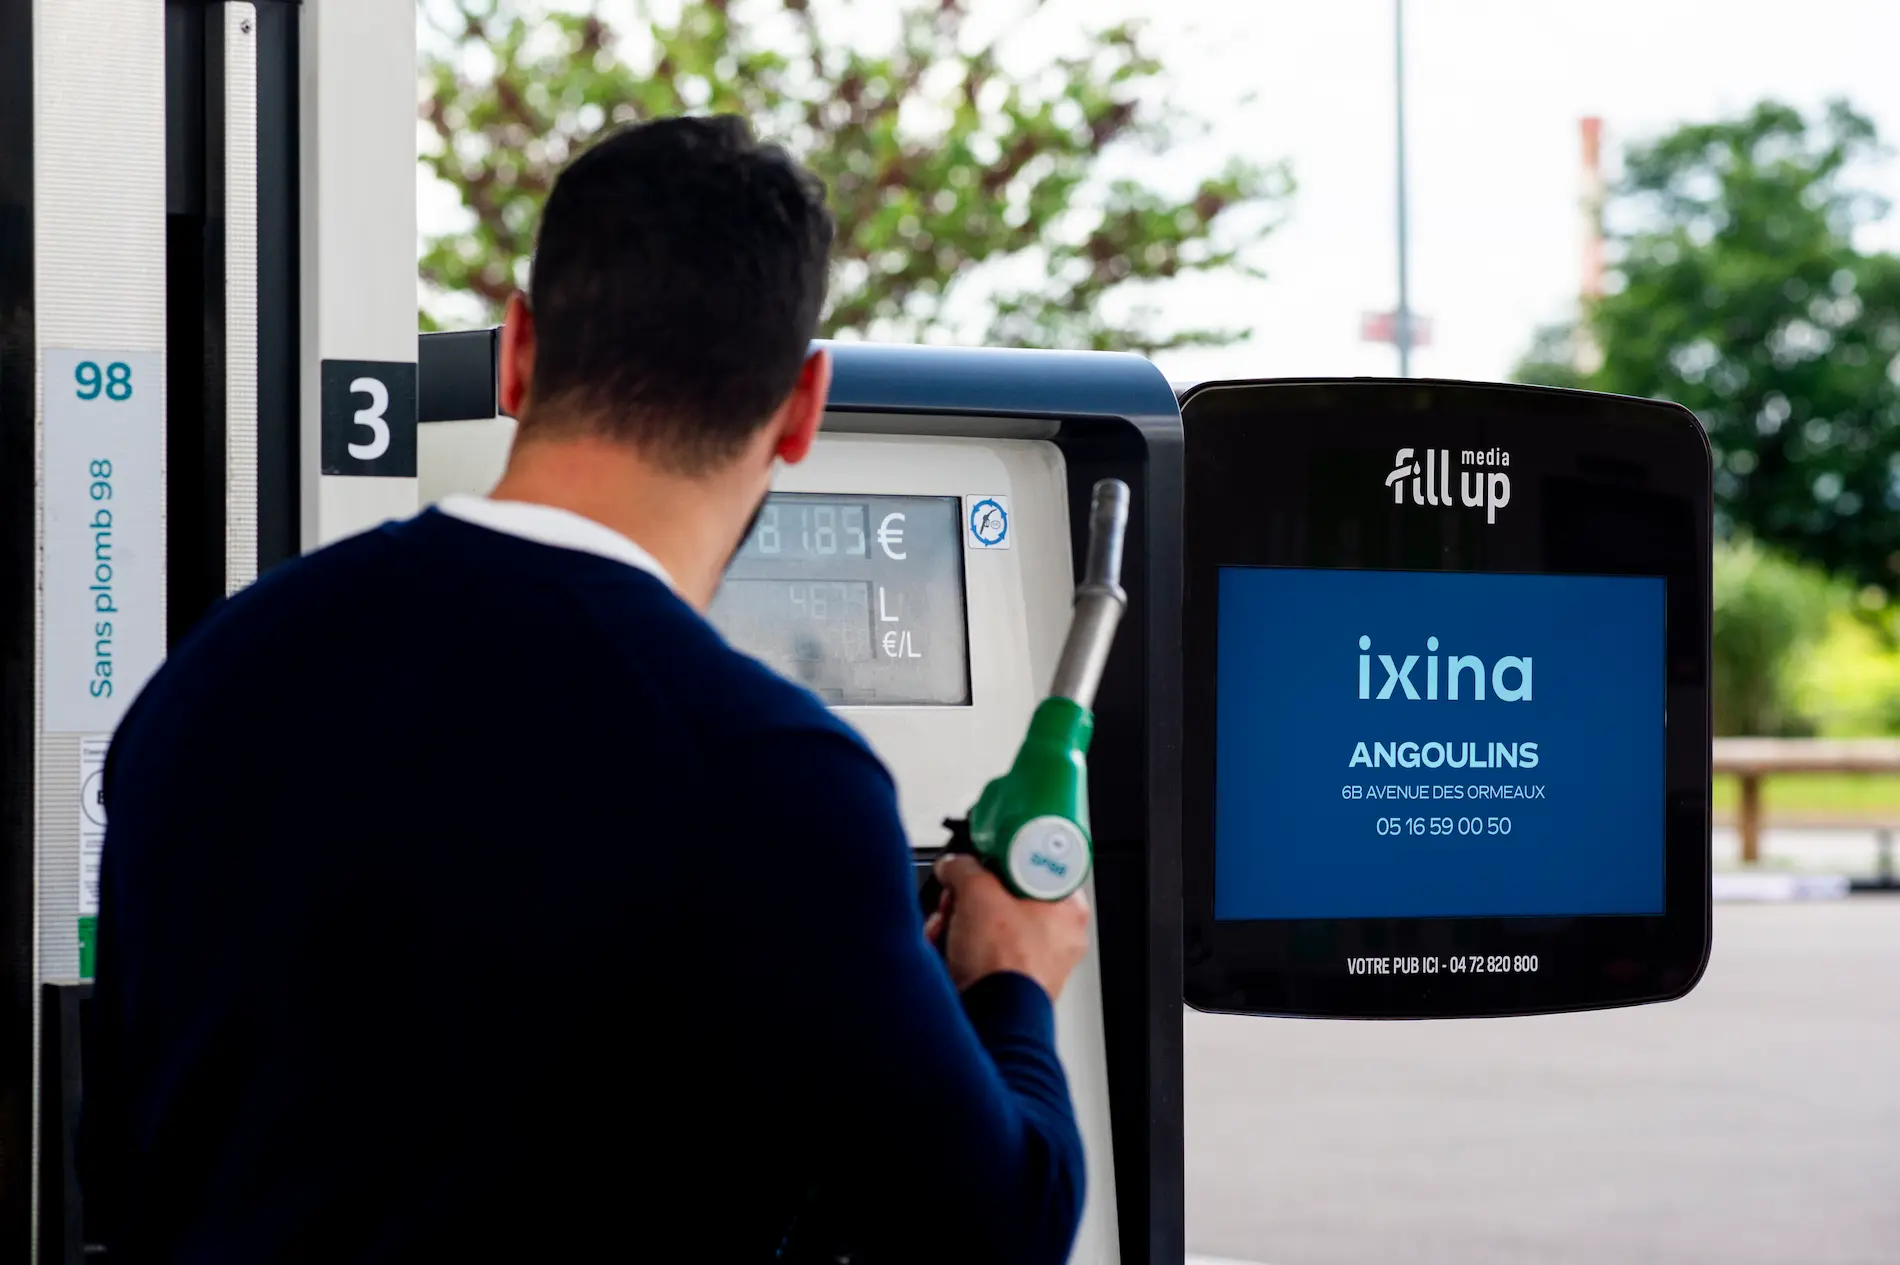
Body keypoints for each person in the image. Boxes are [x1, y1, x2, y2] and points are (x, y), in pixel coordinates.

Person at [82, 116, 1091, 1264]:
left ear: (517, 352)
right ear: (804, 406)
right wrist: (1013, 975)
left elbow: (122, 1159)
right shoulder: (767, 770)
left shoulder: (216, 672)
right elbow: (990, 1229)